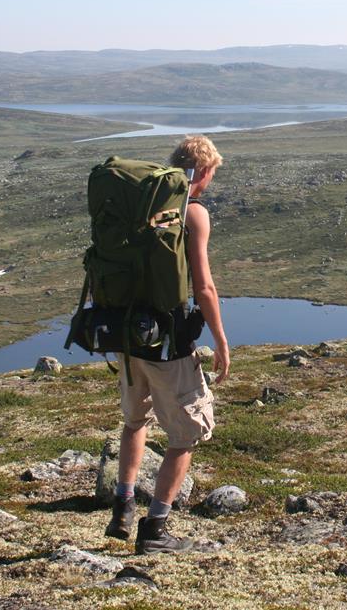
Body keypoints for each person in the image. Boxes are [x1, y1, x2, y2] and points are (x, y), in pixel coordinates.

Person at [105, 135, 231, 553]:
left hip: (129, 337)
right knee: (185, 436)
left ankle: (122, 506)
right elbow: (205, 286)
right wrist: (222, 341)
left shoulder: (141, 209)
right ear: (205, 172)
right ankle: (155, 530)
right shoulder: (192, 213)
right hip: (169, 343)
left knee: (134, 421)